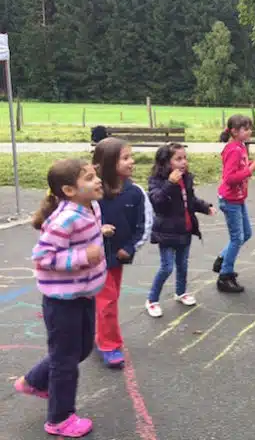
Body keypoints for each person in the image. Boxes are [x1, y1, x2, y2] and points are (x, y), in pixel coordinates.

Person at [14, 159, 110, 438]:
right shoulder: (64, 218)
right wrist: (82, 256)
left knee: (80, 349)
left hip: (83, 293)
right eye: (89, 178)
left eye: (95, 175)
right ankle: (59, 419)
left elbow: (82, 236)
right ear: (69, 190)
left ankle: (34, 381)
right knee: (65, 360)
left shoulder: (91, 207)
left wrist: (98, 233)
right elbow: (43, 257)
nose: (97, 181)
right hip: (62, 300)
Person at [93, 137, 152, 368]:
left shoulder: (135, 193)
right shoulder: (92, 191)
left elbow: (144, 225)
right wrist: (98, 231)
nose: (132, 161)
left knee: (108, 299)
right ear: (108, 163)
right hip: (92, 257)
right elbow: (77, 223)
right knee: (106, 301)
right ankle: (108, 344)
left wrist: (129, 248)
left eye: (131, 156)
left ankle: (101, 334)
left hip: (116, 258)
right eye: (125, 158)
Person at [145, 143, 216, 318]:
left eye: (185, 158)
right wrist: (170, 183)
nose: (183, 162)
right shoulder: (157, 180)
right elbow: (157, 201)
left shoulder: (186, 178)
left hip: (185, 229)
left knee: (183, 264)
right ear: (166, 163)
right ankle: (152, 300)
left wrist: (206, 207)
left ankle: (181, 292)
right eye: (178, 159)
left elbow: (190, 200)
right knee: (167, 267)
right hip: (166, 231)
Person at [212, 115, 255, 293]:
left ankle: (222, 259)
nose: (249, 131)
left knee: (246, 233)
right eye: (245, 129)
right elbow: (230, 178)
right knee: (237, 238)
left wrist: (250, 164)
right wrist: (249, 170)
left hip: (238, 198)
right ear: (234, 132)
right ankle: (224, 277)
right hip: (230, 199)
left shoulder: (241, 146)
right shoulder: (233, 149)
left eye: (250, 128)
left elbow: (240, 167)